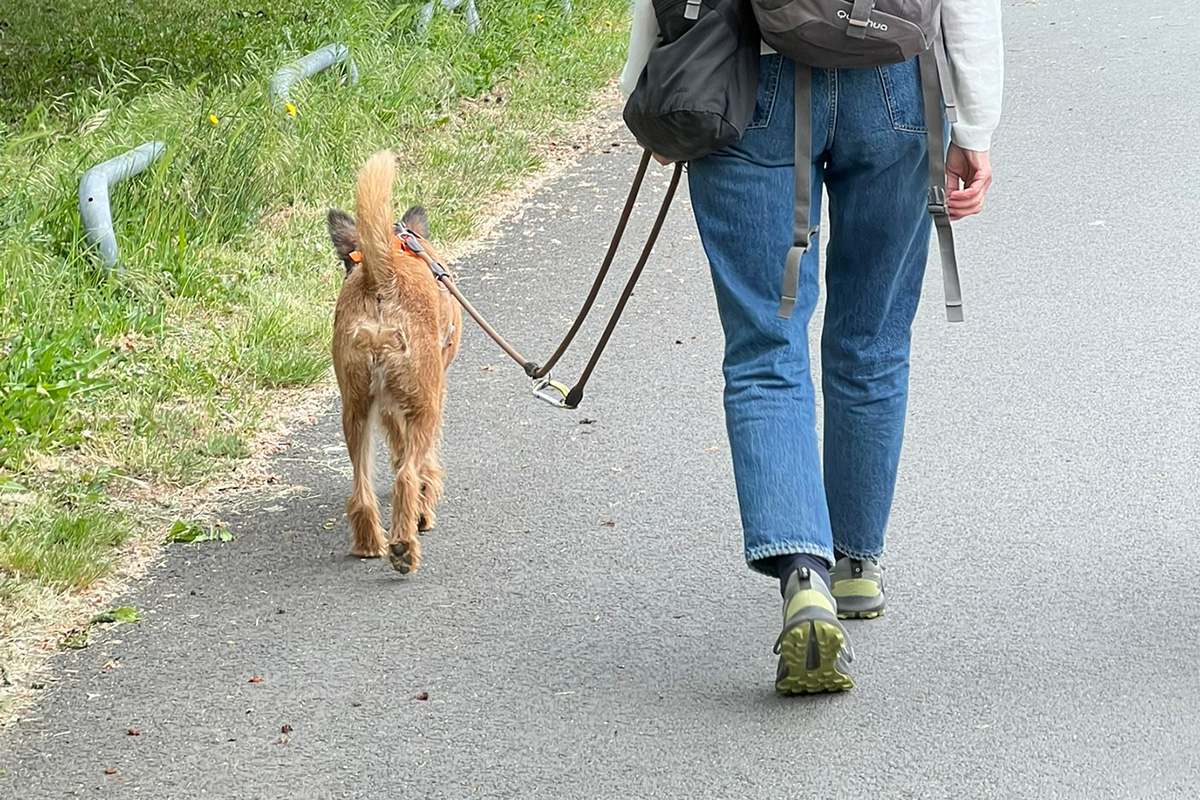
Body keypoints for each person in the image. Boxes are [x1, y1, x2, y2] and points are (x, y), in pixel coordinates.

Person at [619, 2, 1004, 693]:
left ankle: (803, 573)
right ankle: (856, 563)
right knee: (873, 339)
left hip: (747, 74)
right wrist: (973, 123)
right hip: (897, 80)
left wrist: (647, 81)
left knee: (766, 347)